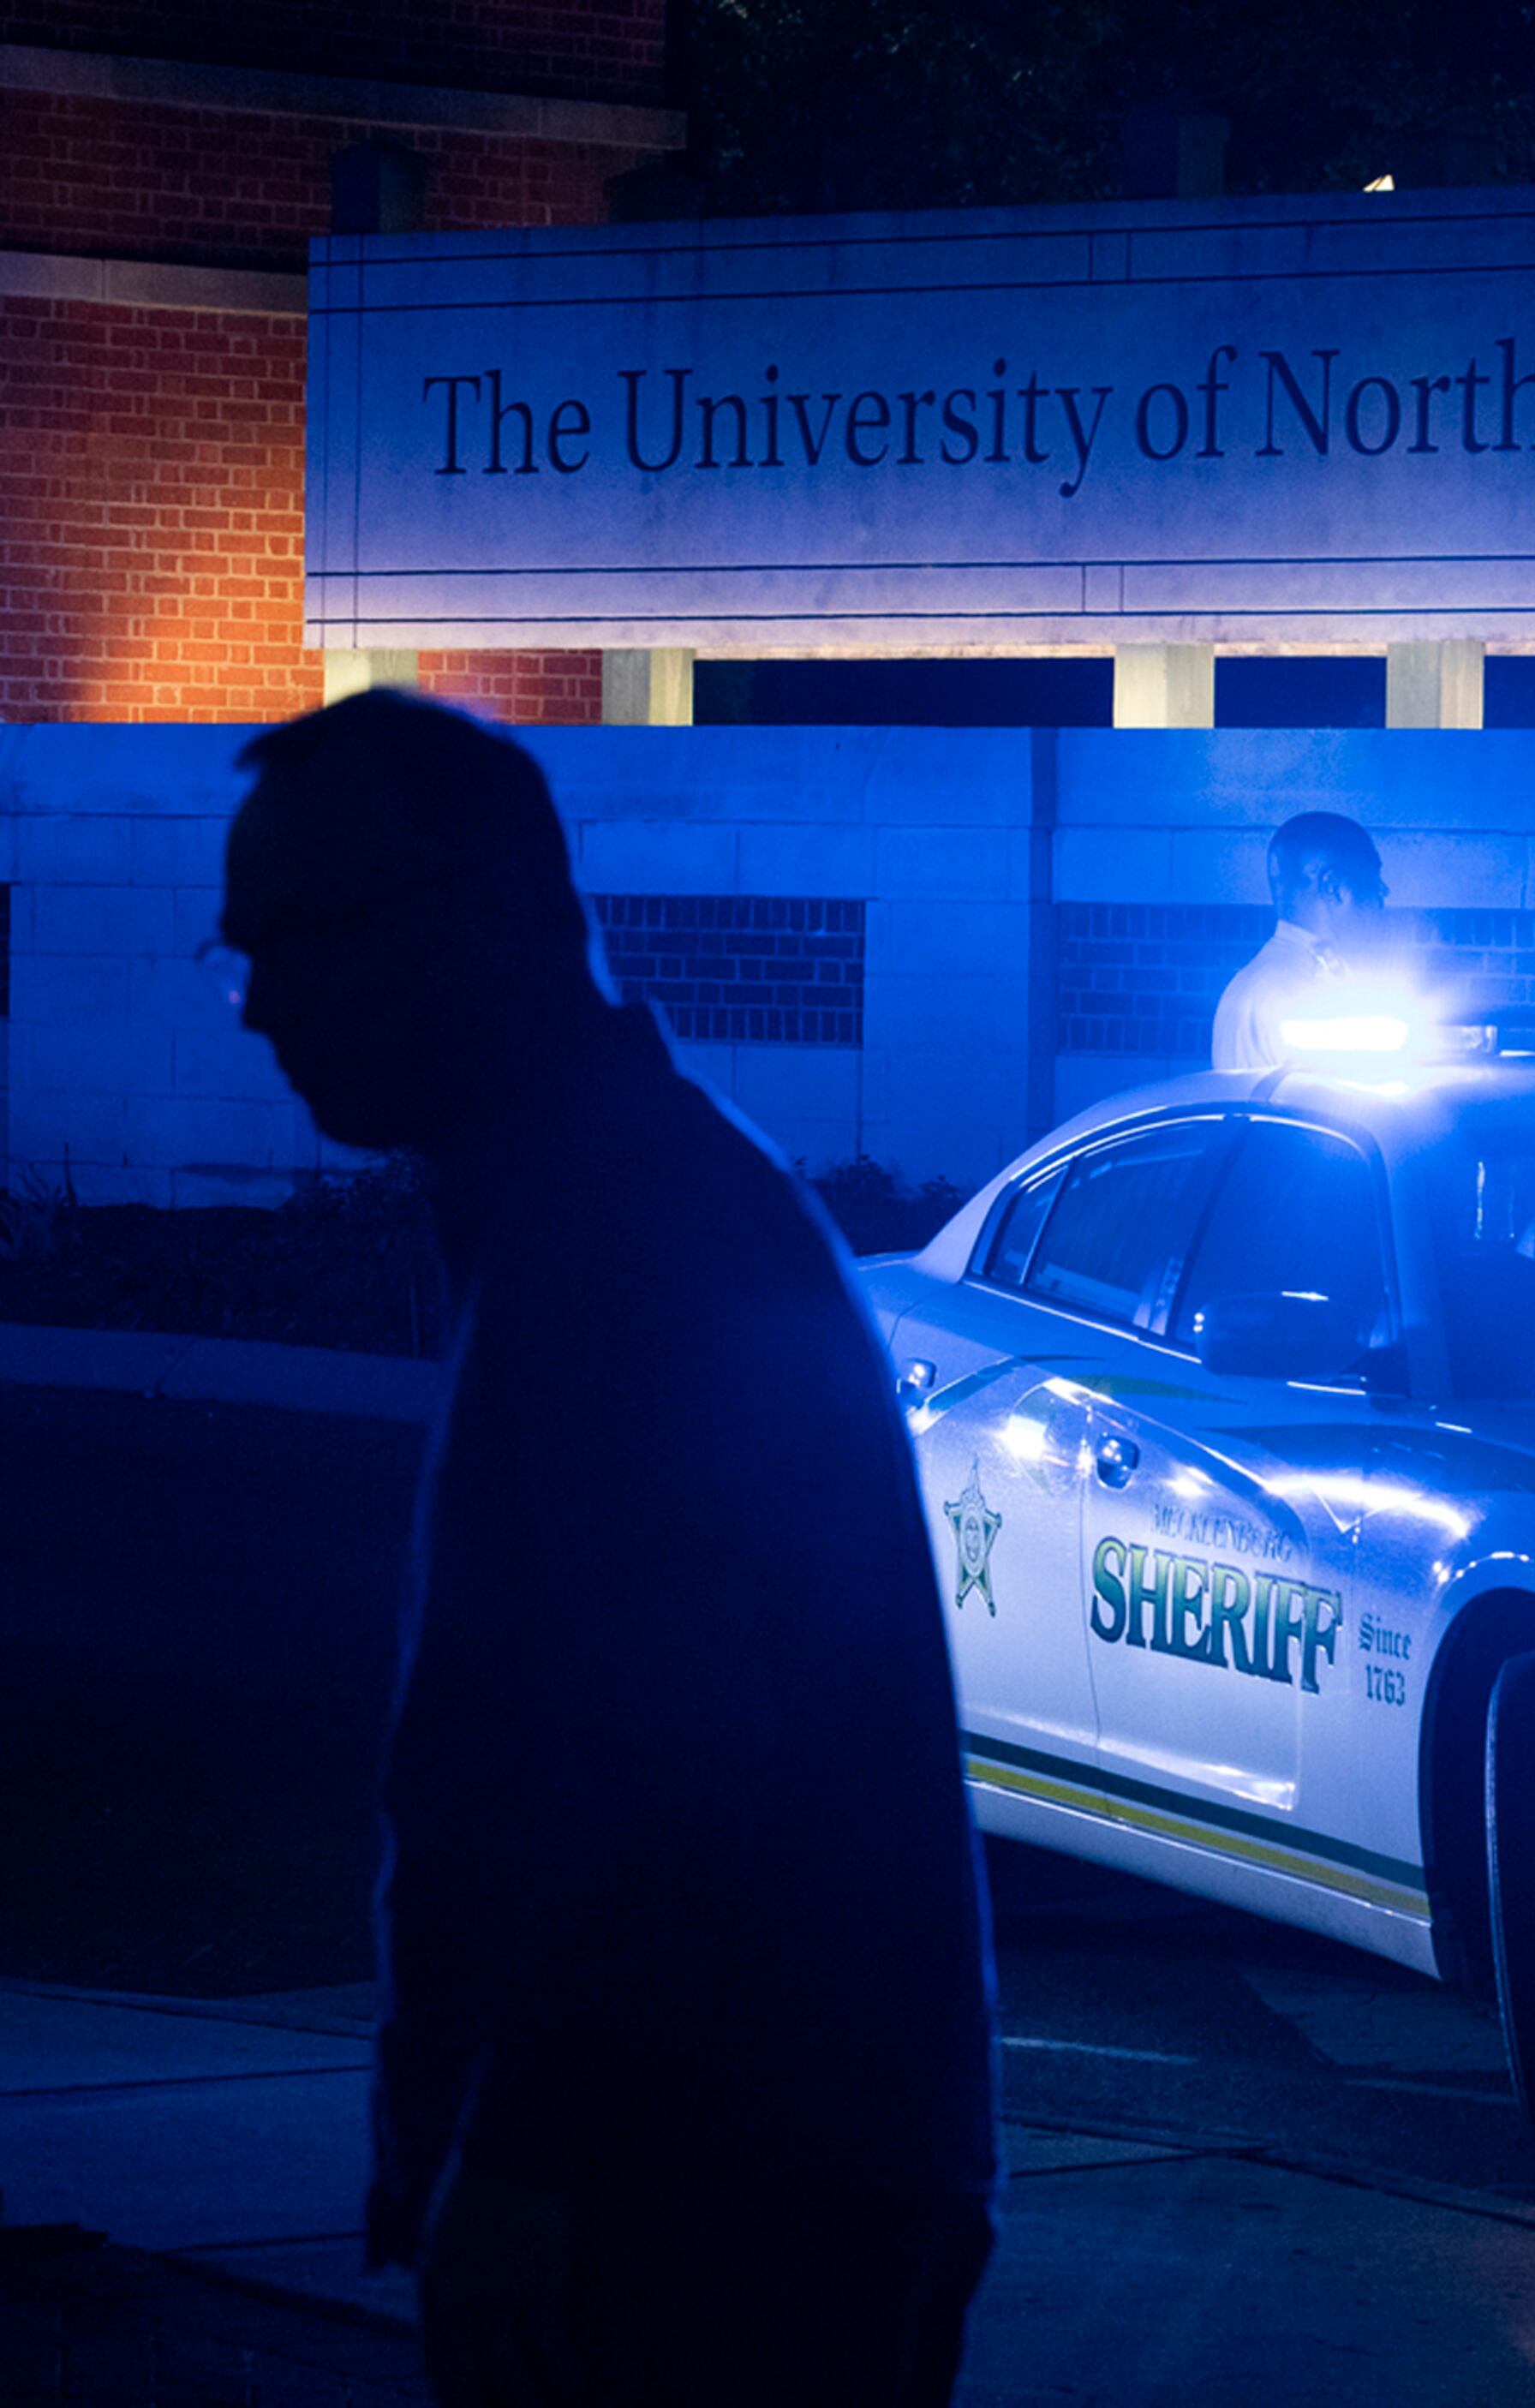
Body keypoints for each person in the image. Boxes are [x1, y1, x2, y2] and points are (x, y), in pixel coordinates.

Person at [212, 690, 1000, 2406]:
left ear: (487, 913)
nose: (263, 999)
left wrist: (521, 2152)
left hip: (713, 2200)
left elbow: (667, 1755)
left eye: (304, 937)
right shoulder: (612, 1191)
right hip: (742, 2173)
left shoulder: (617, 1231)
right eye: (242, 950)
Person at [1215, 810, 1388, 1070]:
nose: (1383, 895)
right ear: (1332, 887)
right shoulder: (1291, 994)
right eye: (1372, 881)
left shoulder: (1263, 983)